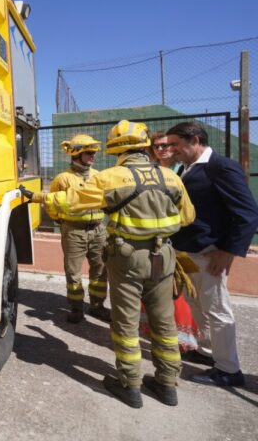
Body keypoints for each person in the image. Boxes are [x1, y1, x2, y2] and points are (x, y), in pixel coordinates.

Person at [20, 120, 194, 408]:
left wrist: (36, 196)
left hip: (127, 256)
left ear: (116, 148)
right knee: (164, 322)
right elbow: (187, 217)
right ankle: (167, 385)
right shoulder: (171, 177)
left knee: (126, 323)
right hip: (164, 256)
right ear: (143, 144)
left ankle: (130, 386)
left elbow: (69, 201)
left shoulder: (110, 177)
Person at [166, 122, 258, 387]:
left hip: (210, 254)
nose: (171, 150)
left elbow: (248, 213)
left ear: (195, 140)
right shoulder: (186, 168)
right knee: (198, 306)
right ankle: (207, 352)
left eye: (175, 145)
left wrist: (228, 251)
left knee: (217, 310)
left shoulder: (220, 167)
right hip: (189, 252)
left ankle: (229, 369)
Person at [142, 131, 200, 353]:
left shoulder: (182, 170)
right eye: (156, 146)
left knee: (179, 292)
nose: (161, 150)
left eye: (166, 145)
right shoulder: (150, 171)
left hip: (180, 237)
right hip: (155, 240)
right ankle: (157, 334)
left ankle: (183, 340)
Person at [49, 134, 110, 323]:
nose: (93, 156)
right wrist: (64, 222)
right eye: (89, 152)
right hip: (73, 231)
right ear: (76, 154)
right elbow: (51, 205)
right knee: (73, 271)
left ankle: (97, 306)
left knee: (100, 270)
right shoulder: (63, 179)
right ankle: (76, 308)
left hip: (99, 230)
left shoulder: (99, 176)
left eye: (93, 153)